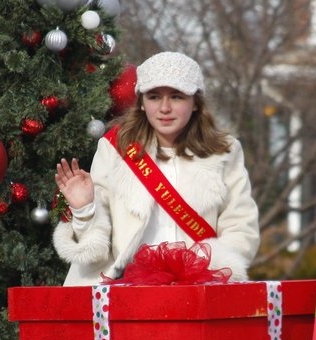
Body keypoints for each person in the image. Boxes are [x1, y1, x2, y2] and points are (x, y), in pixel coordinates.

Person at [53, 51, 260, 285]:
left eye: (176, 97)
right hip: (124, 288)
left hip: (202, 290)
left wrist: (206, 275)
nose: (164, 108)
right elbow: (94, 250)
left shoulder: (225, 151)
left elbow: (241, 228)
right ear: (141, 103)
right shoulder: (114, 148)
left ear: (195, 103)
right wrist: (84, 210)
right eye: (153, 97)